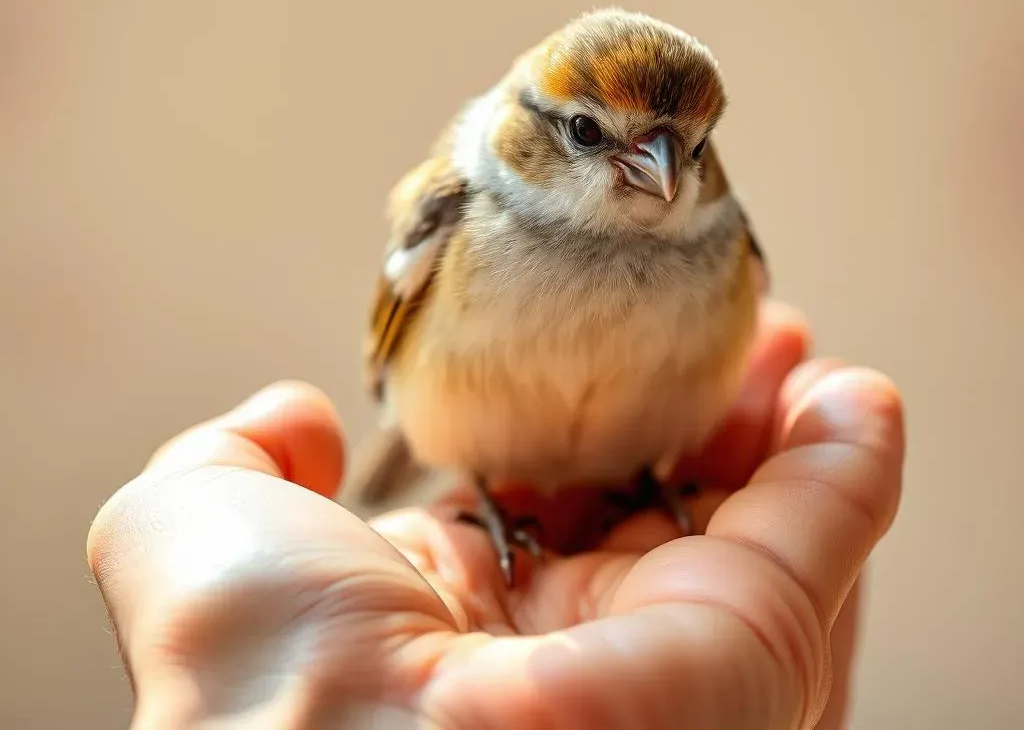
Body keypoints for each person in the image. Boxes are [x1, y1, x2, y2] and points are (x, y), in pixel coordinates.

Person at [86, 300, 904, 728]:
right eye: (590, 135)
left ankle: (642, 481)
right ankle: (495, 493)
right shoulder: (461, 206)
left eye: (689, 147)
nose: (658, 168)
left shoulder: (719, 236)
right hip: (464, 431)